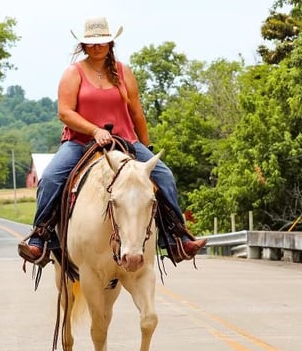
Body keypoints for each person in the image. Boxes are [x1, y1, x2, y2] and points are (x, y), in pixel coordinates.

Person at [18, 16, 207, 266]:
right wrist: (95, 130)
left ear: (110, 43)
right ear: (83, 45)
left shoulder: (123, 72)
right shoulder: (73, 74)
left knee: (164, 176)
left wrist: (146, 150)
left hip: (126, 140)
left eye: (103, 41)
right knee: (51, 177)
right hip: (80, 142)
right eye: (91, 42)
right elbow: (65, 112)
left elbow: (137, 113)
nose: (97, 46)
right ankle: (40, 238)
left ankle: (177, 237)